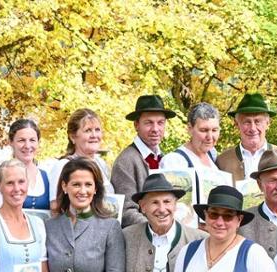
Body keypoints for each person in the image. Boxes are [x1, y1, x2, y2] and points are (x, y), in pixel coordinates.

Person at [215, 93, 277, 207]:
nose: (252, 128)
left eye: (257, 121)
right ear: (236, 124)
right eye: (247, 122)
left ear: (268, 123)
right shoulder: (222, 161)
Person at [111, 94, 177, 227]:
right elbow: (126, 211)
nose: (155, 129)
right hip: (141, 239)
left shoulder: (165, 159)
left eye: (160, 123)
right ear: (136, 125)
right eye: (148, 123)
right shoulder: (126, 161)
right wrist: (156, 229)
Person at [160, 102, 223, 215]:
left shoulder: (214, 158)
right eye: (203, 130)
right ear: (189, 128)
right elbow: (168, 208)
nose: (210, 137)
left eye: (214, 130)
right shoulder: (174, 161)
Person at [45, 108, 114, 208]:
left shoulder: (101, 164)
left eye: (97, 130)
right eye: (88, 130)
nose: (94, 135)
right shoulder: (63, 166)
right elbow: (55, 207)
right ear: (73, 136)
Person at [0, 119, 51, 216]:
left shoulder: (47, 175)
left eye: (32, 140)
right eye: (21, 140)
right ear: (11, 142)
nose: (27, 146)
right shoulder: (0, 173)